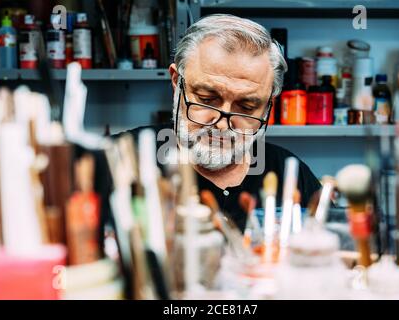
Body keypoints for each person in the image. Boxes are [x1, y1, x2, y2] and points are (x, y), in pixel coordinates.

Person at [126, 14, 322, 231]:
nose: (222, 124)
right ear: (176, 82)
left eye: (246, 107)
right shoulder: (123, 159)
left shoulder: (290, 173)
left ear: (268, 104)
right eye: (207, 99)